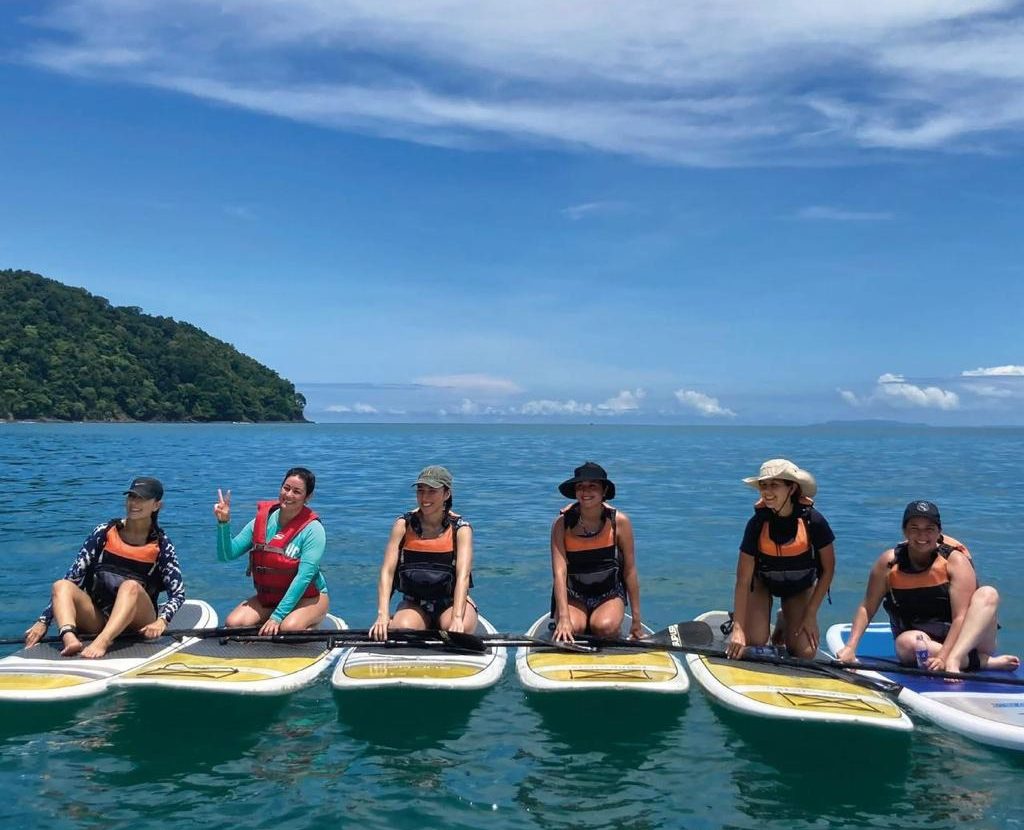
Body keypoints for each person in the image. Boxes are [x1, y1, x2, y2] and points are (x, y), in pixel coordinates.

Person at [835, 500, 1019, 674]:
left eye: (929, 529)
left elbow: (961, 617)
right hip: (924, 643)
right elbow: (867, 607)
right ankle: (983, 661)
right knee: (907, 643)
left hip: (968, 640)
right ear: (905, 532)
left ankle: (957, 660)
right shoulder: (889, 563)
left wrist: (946, 656)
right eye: (914, 529)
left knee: (988, 593)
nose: (922, 536)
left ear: (939, 532)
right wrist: (850, 647)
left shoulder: (954, 561)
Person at [24, 477, 186, 658]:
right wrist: (43, 621)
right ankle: (70, 639)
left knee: (130, 586)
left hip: (137, 622)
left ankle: (103, 641)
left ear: (156, 506)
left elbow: (178, 594)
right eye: (131, 497)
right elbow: (73, 577)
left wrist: (162, 620)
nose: (134, 503)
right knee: (60, 585)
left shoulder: (162, 545)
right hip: (99, 618)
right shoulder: (102, 533)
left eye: (141, 499)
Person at [726, 458, 835, 660]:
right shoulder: (756, 524)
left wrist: (811, 614)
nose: (767, 492)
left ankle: (784, 620)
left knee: (806, 652)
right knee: (754, 642)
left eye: (774, 485)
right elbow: (743, 579)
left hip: (799, 587)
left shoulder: (814, 521)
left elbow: (828, 570)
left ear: (791, 489)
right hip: (762, 584)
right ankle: (749, 620)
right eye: (763, 486)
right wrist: (739, 629)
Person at [213, 467, 329, 635]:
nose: (289, 495)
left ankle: (310, 620)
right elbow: (226, 555)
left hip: (309, 598)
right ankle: (276, 619)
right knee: (234, 624)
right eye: (286, 488)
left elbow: (304, 577)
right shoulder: (261, 522)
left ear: (307, 497)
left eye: (297, 491)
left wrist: (278, 616)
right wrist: (223, 523)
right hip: (271, 598)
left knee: (289, 628)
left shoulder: (313, 530)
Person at [369, 466, 477, 640]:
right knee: (402, 630)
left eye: (432, 491)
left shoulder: (461, 529)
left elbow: (463, 576)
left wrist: (457, 618)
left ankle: (453, 621)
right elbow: (387, 573)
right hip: (415, 603)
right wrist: (382, 614)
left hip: (451, 604)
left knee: (458, 631)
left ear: (446, 494)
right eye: (420, 490)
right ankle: (398, 620)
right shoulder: (402, 525)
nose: (425, 497)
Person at [550, 461, 642, 642]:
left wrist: (637, 620)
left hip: (609, 593)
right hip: (574, 595)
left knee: (604, 627)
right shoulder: (561, 524)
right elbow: (559, 573)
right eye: (580, 487)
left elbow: (630, 571)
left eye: (592, 486)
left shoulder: (620, 522)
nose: (585, 492)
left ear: (604, 491)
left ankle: (607, 625)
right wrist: (565, 618)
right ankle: (571, 621)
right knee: (574, 629)